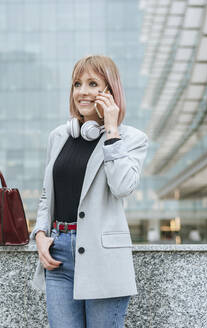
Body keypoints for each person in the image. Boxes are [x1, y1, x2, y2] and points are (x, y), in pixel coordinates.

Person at [29, 55, 149, 328]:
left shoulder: (131, 139)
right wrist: (39, 234)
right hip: (58, 256)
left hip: (103, 258)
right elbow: (48, 195)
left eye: (93, 83)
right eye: (77, 84)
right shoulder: (59, 136)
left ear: (110, 92)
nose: (82, 91)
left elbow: (122, 187)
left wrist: (111, 131)